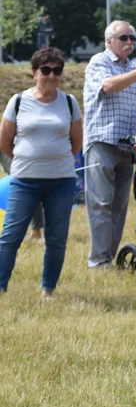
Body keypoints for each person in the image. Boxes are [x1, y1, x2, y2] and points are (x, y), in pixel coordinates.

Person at [82, 20, 136, 268]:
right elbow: (107, 86)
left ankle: (108, 258)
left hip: (129, 146)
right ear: (109, 41)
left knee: (119, 205)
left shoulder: (133, 67)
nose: (129, 42)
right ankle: (98, 262)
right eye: (123, 38)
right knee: (101, 203)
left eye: (132, 37)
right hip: (102, 141)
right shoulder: (99, 62)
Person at [0, 48, 82, 298]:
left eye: (57, 70)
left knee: (56, 239)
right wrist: (27, 158)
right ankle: (1, 287)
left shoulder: (69, 102)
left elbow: (76, 143)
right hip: (24, 180)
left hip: (61, 181)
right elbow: (5, 141)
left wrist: (53, 158)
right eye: (45, 70)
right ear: (34, 72)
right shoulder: (18, 101)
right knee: (10, 236)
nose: (51, 75)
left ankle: (48, 290)